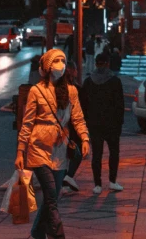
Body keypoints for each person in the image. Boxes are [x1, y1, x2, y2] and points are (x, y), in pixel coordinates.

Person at [16, 49, 91, 239]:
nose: (61, 64)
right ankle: (58, 235)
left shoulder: (71, 91)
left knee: (53, 197)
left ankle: (37, 232)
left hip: (59, 150)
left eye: (63, 60)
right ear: (48, 66)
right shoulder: (36, 91)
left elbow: (78, 118)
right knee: (51, 195)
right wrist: (20, 151)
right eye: (56, 61)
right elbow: (27, 123)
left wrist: (85, 138)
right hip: (38, 149)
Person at [79, 50, 125, 194]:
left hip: (94, 123)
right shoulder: (114, 81)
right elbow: (120, 104)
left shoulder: (88, 82)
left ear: (96, 64)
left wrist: (86, 120)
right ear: (108, 64)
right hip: (111, 123)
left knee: (97, 154)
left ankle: (97, 184)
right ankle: (112, 180)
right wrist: (119, 122)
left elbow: (83, 103)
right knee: (113, 153)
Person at [62, 61, 84, 194]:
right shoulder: (75, 89)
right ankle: (67, 178)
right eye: (76, 69)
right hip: (71, 126)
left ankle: (65, 180)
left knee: (65, 155)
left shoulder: (61, 87)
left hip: (65, 126)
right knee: (76, 153)